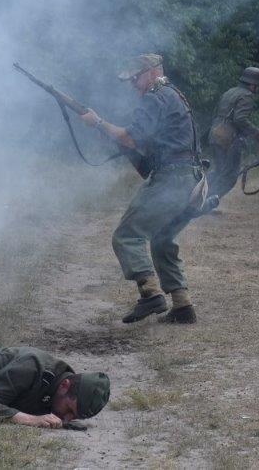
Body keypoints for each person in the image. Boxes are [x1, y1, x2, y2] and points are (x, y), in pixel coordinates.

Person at [79, 53, 203, 325]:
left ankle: (151, 294)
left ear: (152, 73)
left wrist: (98, 123)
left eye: (136, 78)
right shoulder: (173, 94)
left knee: (126, 236)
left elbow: (131, 139)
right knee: (161, 239)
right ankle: (182, 305)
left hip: (172, 179)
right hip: (189, 179)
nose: (133, 85)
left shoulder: (155, 97)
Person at [203, 67, 259, 212]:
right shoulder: (246, 95)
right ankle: (207, 203)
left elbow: (218, 113)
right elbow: (240, 119)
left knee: (219, 171)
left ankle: (199, 197)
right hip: (228, 138)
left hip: (216, 132)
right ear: (253, 85)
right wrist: (257, 132)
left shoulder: (230, 92)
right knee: (229, 176)